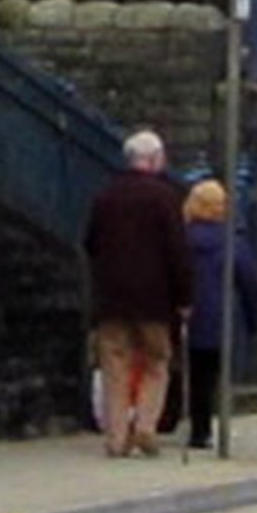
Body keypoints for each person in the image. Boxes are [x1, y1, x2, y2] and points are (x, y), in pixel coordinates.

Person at [84, 129, 194, 458]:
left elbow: (90, 243)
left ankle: (116, 438)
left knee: (115, 366)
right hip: (155, 301)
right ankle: (145, 426)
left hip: (112, 300)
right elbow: (178, 252)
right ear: (154, 159)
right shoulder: (165, 197)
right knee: (157, 362)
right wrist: (185, 298)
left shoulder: (105, 196)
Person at [182, 178, 257, 451]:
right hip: (220, 318)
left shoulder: (181, 237)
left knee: (193, 373)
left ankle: (197, 428)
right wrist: (254, 319)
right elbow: (249, 281)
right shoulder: (232, 241)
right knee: (213, 373)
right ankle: (206, 429)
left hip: (186, 313)